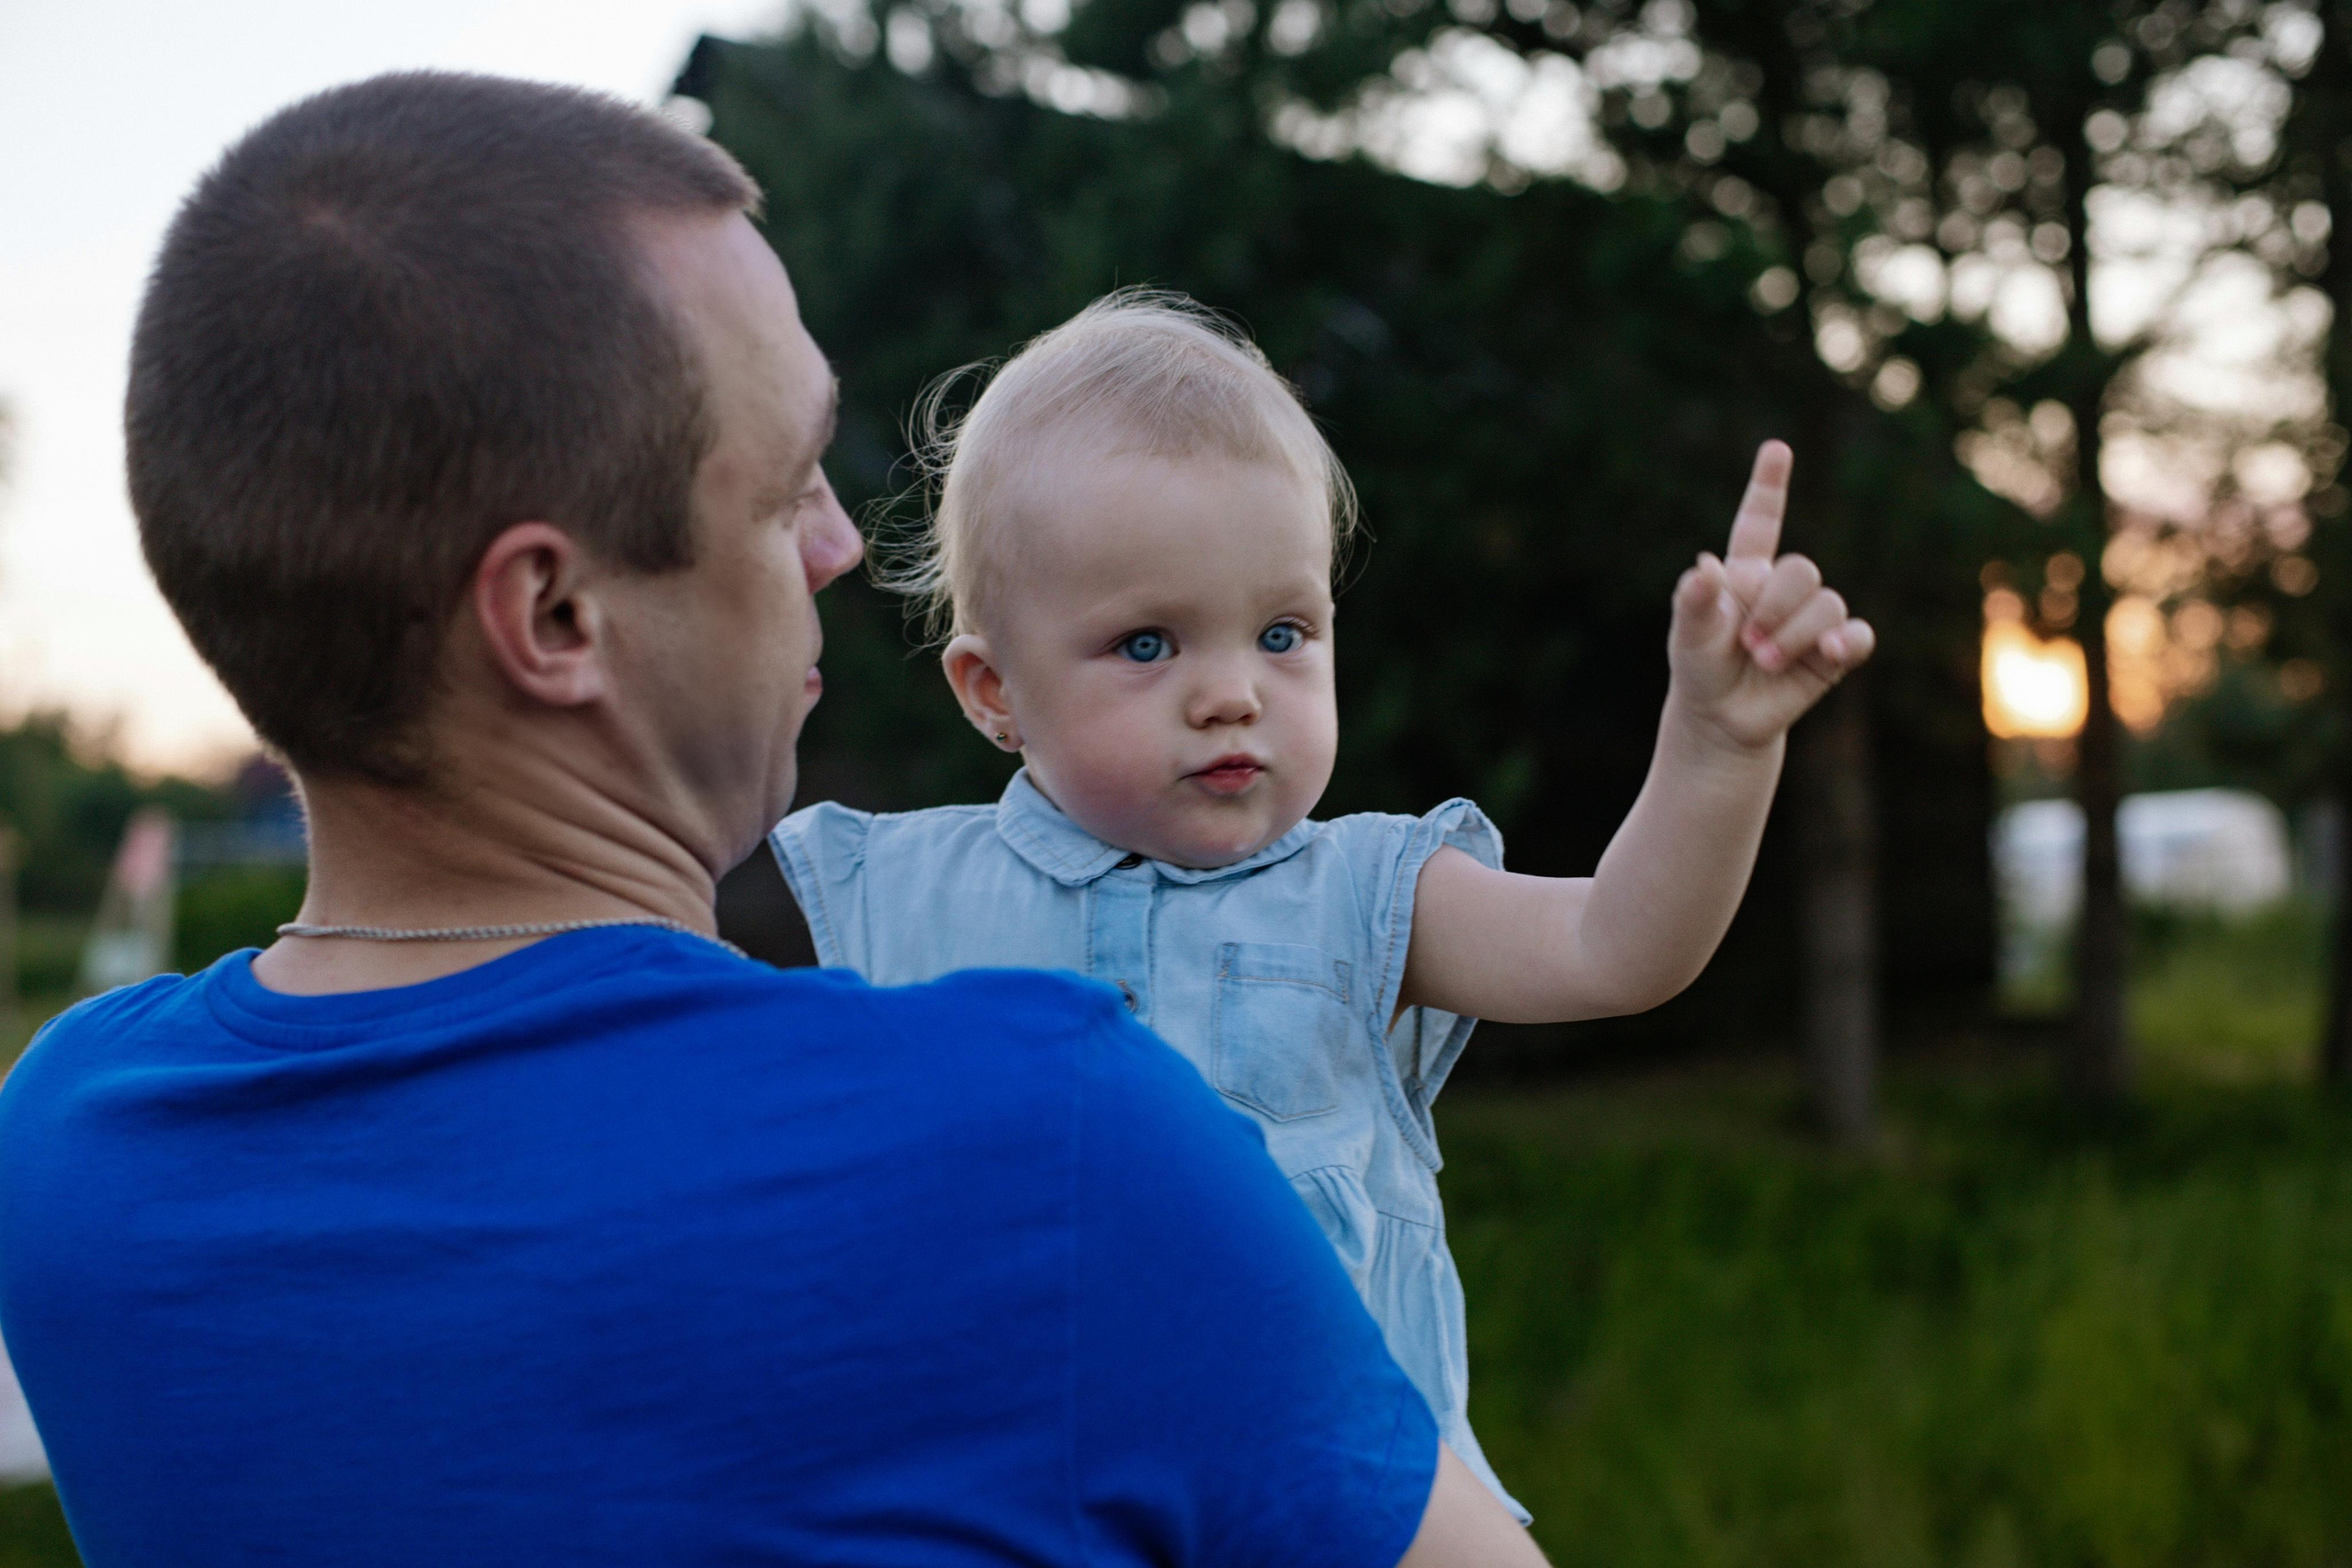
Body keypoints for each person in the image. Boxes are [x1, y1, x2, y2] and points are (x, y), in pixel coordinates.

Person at [0, 75, 1544, 1567]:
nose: (829, 548)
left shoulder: (69, 1150)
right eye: (786, 483)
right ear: (554, 613)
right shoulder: (1051, 1142)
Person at [769, 292, 1877, 1516]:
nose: (1232, 693)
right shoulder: (894, 899)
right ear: (993, 692)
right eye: (1148, 645)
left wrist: (1716, 744)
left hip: (1345, 1523)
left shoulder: (1365, 895)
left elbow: (1618, 948)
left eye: (1283, 632)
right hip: (1023, 1520)